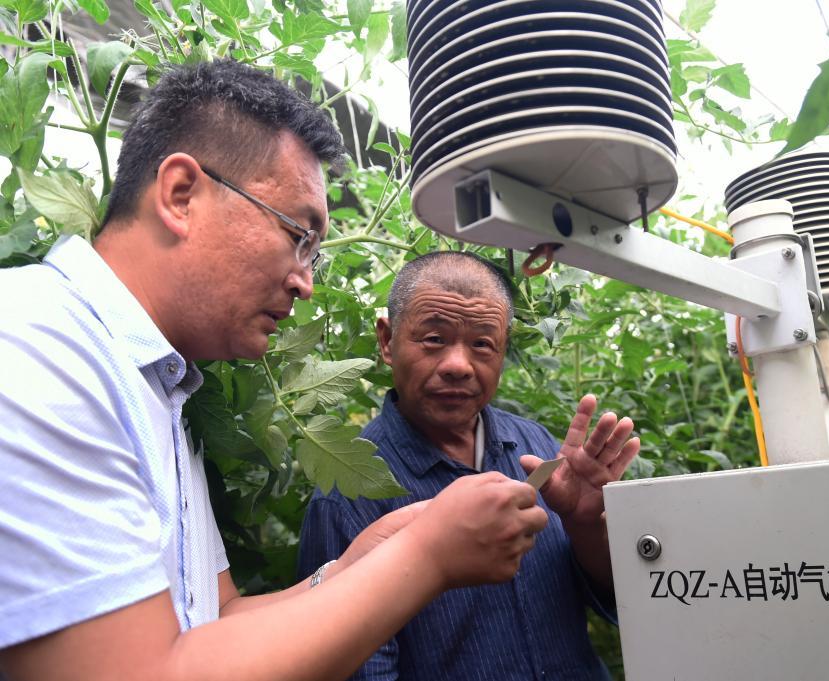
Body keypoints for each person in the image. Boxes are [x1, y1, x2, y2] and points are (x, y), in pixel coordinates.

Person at [0, 60, 550, 681]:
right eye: (298, 235)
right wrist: (427, 558)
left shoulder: (154, 386)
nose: (305, 282)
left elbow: (217, 620)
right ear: (181, 195)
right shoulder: (38, 347)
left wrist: (350, 569)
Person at [298, 251, 641, 680]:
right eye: (433, 339)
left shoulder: (535, 445)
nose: (458, 366)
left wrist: (585, 525)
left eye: (481, 344)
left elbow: (614, 598)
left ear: (503, 350)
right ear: (387, 341)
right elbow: (355, 668)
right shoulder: (349, 495)